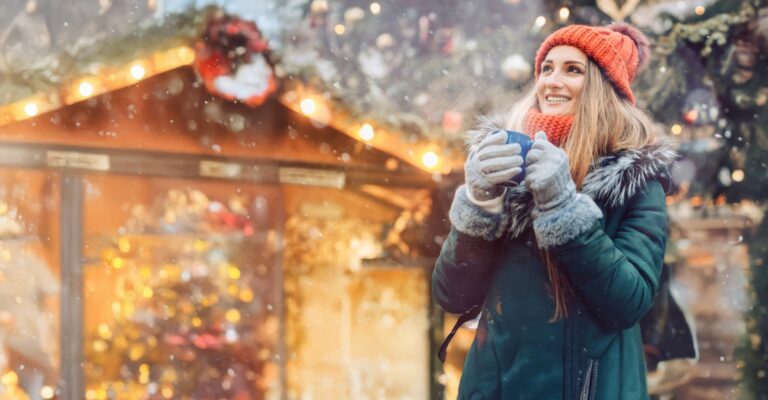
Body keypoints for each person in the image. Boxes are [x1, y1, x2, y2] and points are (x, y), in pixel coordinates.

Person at [432, 23, 678, 399]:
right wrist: (479, 203)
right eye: (546, 68)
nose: (552, 81)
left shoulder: (636, 180)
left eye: (572, 69)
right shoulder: (506, 167)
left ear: (601, 88)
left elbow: (628, 302)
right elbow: (453, 296)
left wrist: (564, 208)